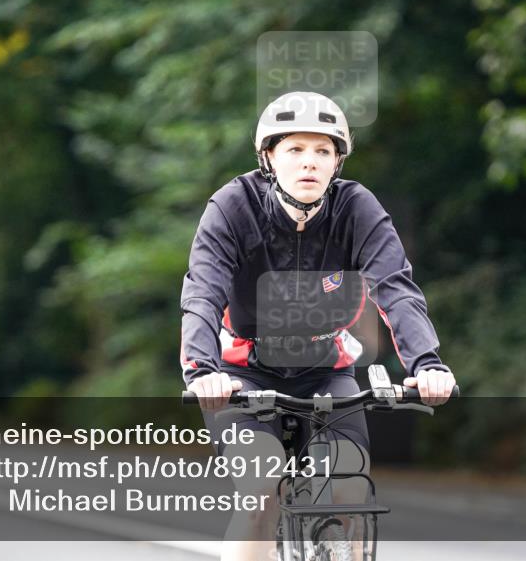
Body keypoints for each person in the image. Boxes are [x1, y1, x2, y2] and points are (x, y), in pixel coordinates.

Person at [180, 91, 456, 561]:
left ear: (337, 162)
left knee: (350, 488)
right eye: (295, 149)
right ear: (268, 158)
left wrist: (427, 363)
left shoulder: (356, 207)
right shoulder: (233, 206)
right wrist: (202, 371)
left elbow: (394, 286)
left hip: (326, 371)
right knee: (261, 487)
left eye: (323, 151)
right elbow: (203, 292)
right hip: (242, 375)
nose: (309, 162)